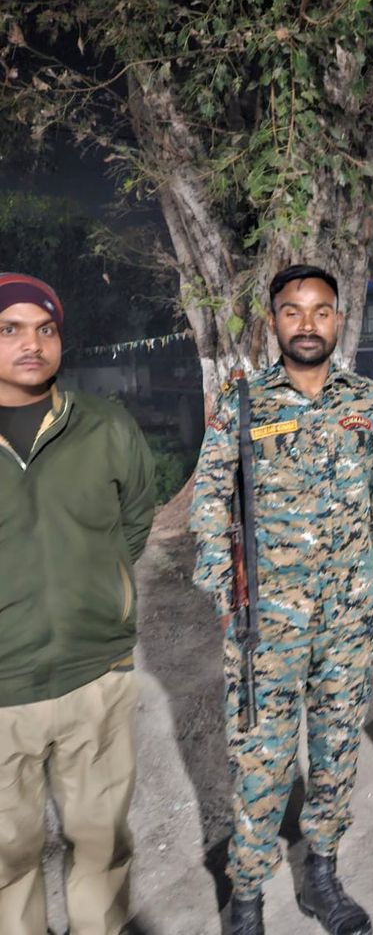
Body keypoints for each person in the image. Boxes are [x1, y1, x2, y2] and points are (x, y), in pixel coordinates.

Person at [190, 265, 373, 935]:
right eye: (293, 311)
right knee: (261, 761)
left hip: (349, 616)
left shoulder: (366, 400)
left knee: (337, 749)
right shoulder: (244, 402)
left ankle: (322, 875)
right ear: (273, 322)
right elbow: (210, 500)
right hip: (267, 624)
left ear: (338, 319)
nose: (308, 324)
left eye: (321, 311)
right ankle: (248, 898)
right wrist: (226, 594)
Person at [0, 273, 156, 935]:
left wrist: (100, 590)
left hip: (97, 678)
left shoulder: (105, 426)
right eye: (9, 329)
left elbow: (136, 520)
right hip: (3, 693)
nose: (31, 344)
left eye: (45, 329)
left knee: (101, 844)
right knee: (9, 860)